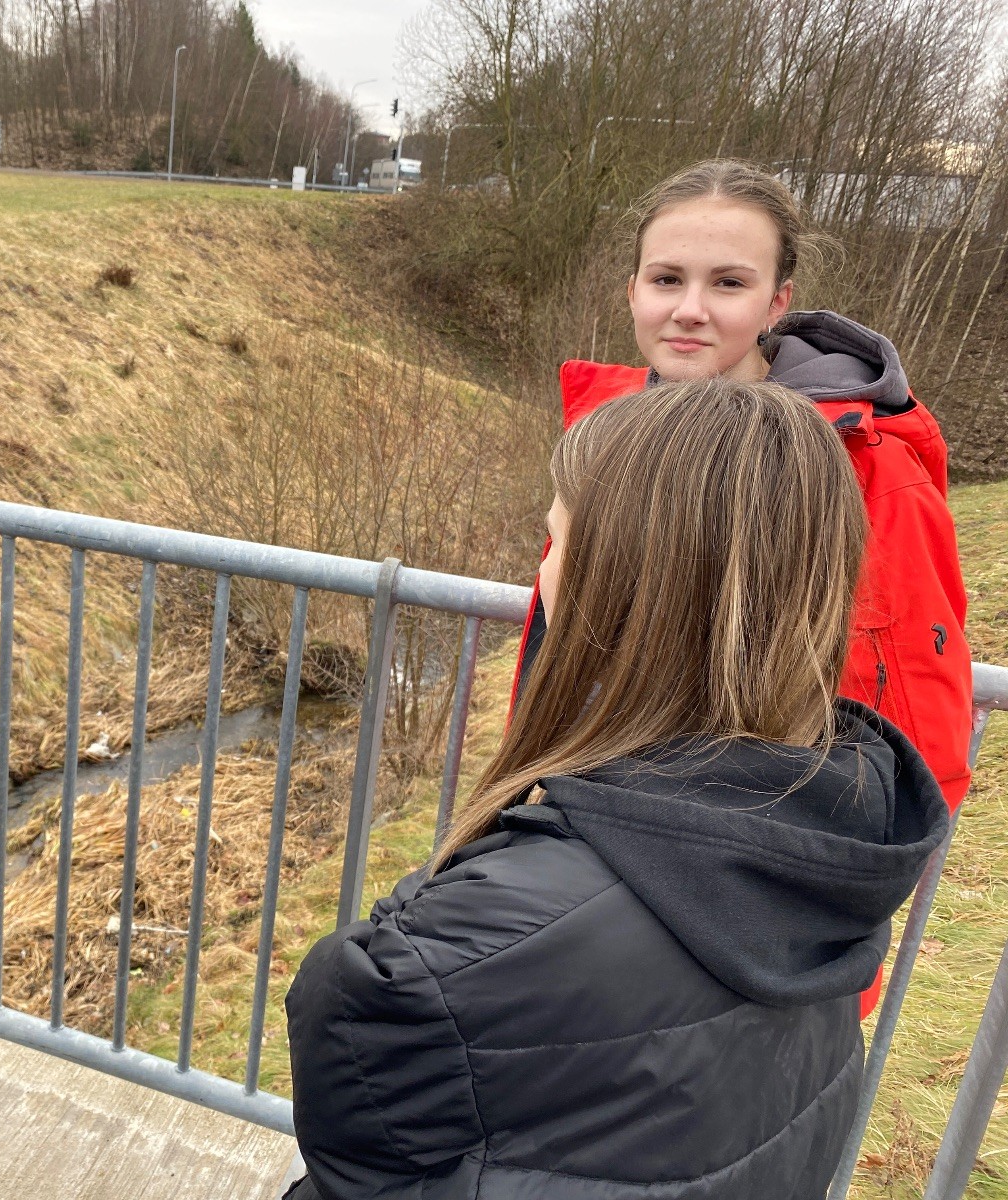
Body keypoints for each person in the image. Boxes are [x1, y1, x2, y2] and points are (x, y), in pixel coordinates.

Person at [284, 379, 949, 1200]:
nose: (543, 568)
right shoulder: (838, 832)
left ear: (623, 585)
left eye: (555, 539)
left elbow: (352, 1113)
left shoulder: (450, 958)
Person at [514, 159, 973, 818]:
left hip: (750, 841)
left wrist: (869, 861)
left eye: (728, 283)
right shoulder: (605, 437)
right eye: (667, 279)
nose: (689, 311)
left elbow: (916, 718)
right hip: (582, 802)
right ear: (632, 291)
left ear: (776, 302)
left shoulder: (866, 466)